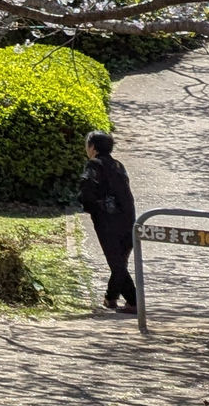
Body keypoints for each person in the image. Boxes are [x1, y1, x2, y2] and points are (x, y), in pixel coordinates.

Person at [79, 129, 138, 312]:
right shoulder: (119, 165)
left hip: (108, 220)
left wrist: (92, 207)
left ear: (93, 147)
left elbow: (86, 193)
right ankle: (110, 298)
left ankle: (134, 302)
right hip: (129, 218)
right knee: (119, 260)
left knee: (116, 262)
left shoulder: (94, 165)